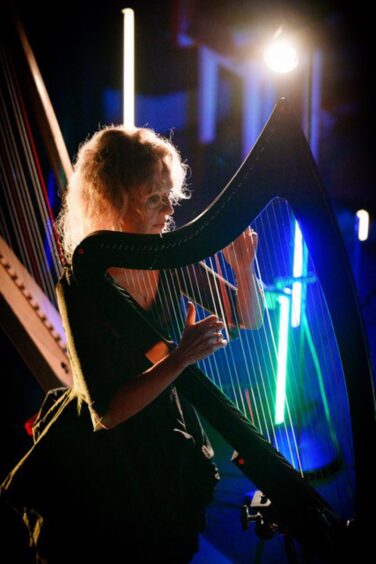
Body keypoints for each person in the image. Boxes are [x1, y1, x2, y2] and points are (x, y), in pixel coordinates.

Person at [1, 125, 264, 564]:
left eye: (168, 198)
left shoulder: (166, 255)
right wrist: (180, 357)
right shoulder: (81, 286)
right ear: (114, 200)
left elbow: (249, 318)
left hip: (166, 437)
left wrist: (243, 270)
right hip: (107, 463)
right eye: (152, 199)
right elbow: (107, 414)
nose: (166, 213)